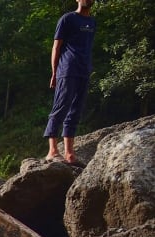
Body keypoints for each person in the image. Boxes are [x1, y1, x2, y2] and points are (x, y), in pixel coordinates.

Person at [44, 0, 96, 167]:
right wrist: (54, 72)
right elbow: (56, 47)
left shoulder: (92, 22)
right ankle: (52, 151)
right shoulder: (67, 19)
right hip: (67, 69)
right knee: (61, 107)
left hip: (84, 70)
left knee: (76, 110)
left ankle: (69, 153)